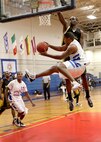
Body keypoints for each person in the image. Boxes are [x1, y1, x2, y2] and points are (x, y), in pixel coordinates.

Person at [25, 32, 90, 111]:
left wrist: (46, 54)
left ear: (68, 39)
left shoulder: (72, 46)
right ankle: (33, 77)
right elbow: (60, 48)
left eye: (64, 39)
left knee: (59, 65)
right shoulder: (72, 43)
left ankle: (75, 83)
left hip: (79, 66)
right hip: (78, 66)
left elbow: (60, 57)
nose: (64, 40)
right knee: (54, 68)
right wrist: (49, 45)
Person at [57, 12, 93, 110]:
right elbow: (63, 22)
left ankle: (88, 96)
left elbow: (81, 45)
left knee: (84, 76)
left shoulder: (80, 32)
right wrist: (58, 11)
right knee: (67, 79)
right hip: (68, 56)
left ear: (77, 21)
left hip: (77, 56)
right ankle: (70, 99)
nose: (71, 20)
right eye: (70, 18)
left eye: (74, 18)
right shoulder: (66, 29)